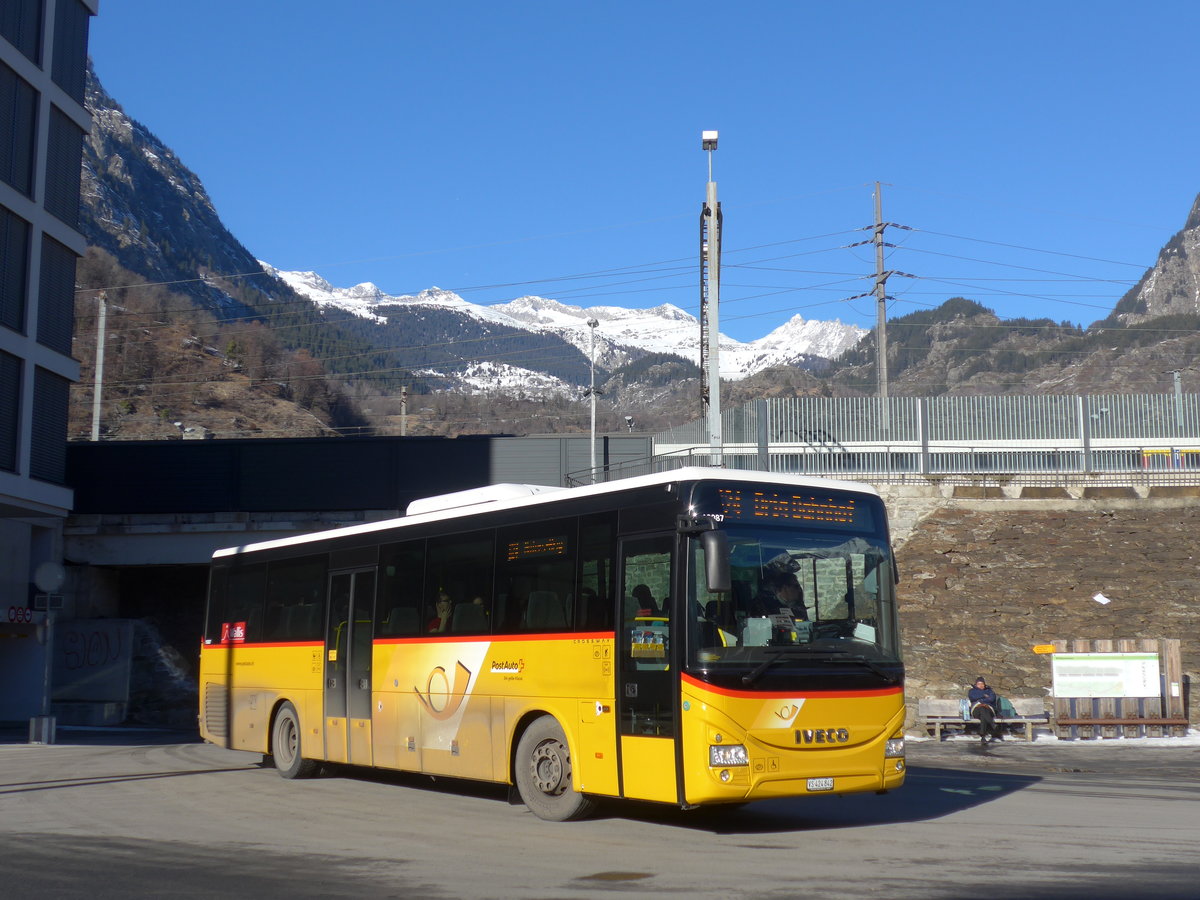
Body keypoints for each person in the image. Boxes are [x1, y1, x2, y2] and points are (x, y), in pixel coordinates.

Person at [968, 676, 1001, 744]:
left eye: (982, 684)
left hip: (989, 708)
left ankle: (983, 736)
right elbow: (972, 697)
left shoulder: (989, 690)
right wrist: (984, 695)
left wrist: (981, 700)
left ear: (984, 684)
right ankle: (992, 724)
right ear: (976, 684)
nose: (981, 685)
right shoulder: (972, 691)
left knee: (983, 712)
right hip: (976, 709)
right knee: (982, 710)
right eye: (979, 684)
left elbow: (991, 698)